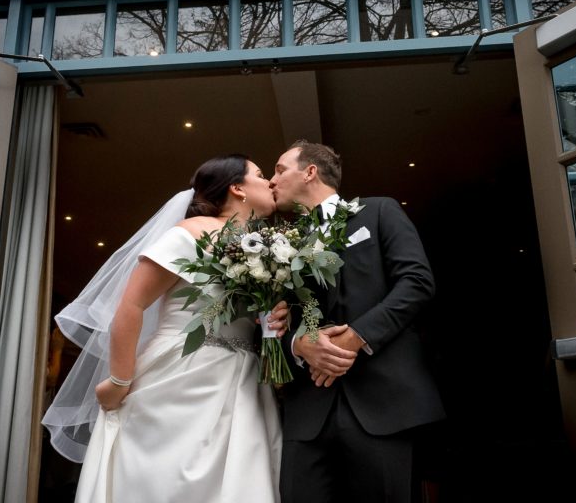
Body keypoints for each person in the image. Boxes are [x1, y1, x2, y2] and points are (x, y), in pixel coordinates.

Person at [42, 154, 282, 502]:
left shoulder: (268, 247)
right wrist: (120, 380)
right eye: (261, 175)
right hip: (182, 368)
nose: (270, 182)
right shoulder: (189, 234)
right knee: (167, 478)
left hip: (244, 378)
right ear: (237, 188)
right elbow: (131, 305)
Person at [267, 140, 445, 503]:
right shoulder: (277, 245)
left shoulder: (379, 211)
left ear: (310, 171)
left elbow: (416, 282)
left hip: (383, 404)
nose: (272, 181)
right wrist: (298, 346)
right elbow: (273, 322)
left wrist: (356, 337)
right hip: (307, 414)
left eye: (280, 170)